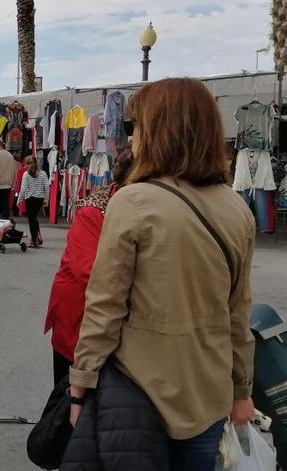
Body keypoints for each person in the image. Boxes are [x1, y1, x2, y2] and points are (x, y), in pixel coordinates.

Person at [68, 78, 256, 469]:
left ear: (159, 130)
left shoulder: (134, 201)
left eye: (135, 126)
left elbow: (105, 308)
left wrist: (80, 383)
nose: (131, 138)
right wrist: (241, 390)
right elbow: (238, 312)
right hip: (208, 392)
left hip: (141, 393)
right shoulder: (236, 208)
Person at [44, 149, 134, 386]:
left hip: (110, 324)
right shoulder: (93, 212)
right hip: (78, 321)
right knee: (70, 401)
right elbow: (91, 272)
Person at [16, 156, 48, 248]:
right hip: (40, 199)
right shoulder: (43, 173)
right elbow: (46, 187)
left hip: (30, 199)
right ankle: (38, 237)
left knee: (32, 220)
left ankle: (34, 241)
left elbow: (23, 189)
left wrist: (19, 200)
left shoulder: (26, 174)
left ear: (27, 164)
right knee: (34, 218)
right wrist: (46, 199)